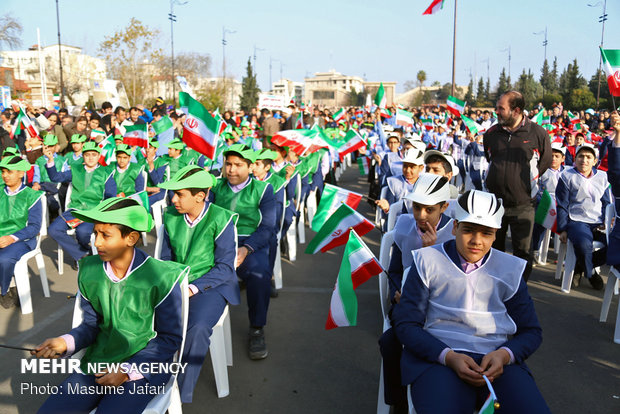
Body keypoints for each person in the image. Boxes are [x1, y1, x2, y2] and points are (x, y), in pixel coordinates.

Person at [393, 190, 550, 414]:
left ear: (496, 234)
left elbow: (531, 331)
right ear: (455, 227)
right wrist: (449, 357)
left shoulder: (510, 269)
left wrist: (504, 355)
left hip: (495, 362)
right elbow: (406, 324)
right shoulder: (427, 260)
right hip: (438, 359)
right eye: (468, 230)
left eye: (486, 233)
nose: (477, 241)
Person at [32, 197, 188, 413]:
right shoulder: (90, 270)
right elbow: (91, 325)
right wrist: (65, 342)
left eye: (106, 235)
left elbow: (169, 339)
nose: (96, 242)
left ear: (131, 238)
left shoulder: (162, 277)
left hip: (145, 368)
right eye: (96, 233)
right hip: (100, 360)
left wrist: (127, 369)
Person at [157, 166, 240, 403]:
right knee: (148, 320)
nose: (173, 199)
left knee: (198, 327)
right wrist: (171, 285)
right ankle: (148, 382)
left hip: (211, 285)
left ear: (200, 196)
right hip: (178, 282)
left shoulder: (221, 218)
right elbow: (165, 259)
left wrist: (193, 287)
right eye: (173, 194)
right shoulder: (171, 216)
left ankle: (179, 396)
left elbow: (225, 267)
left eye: (179, 194)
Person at [379, 174, 454, 410]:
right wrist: (397, 292)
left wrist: (429, 252)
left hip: (443, 309)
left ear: (444, 207)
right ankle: (398, 402)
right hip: (408, 308)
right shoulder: (404, 226)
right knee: (389, 342)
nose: (421, 216)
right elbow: (394, 270)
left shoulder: (455, 233)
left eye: (429, 210)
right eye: (417, 207)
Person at [211, 144, 276, 359]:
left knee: (259, 274)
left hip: (250, 240)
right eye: (228, 164)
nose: (231, 170)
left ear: (250, 167)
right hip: (217, 240)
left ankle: (257, 327)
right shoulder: (215, 186)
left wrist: (246, 248)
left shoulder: (263, 189)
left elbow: (267, 227)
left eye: (238, 165)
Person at [483, 91, 552, 281]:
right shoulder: (491, 134)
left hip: (523, 204)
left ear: (516, 110)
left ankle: (518, 289)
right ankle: (495, 286)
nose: (496, 111)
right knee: (493, 249)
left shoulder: (537, 133)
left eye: (501, 108)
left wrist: (525, 184)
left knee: (523, 252)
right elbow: (490, 158)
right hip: (494, 204)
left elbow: (545, 162)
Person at [45, 141, 117, 268]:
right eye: (87, 154)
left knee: (83, 232)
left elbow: (110, 196)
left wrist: (104, 216)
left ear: (98, 156)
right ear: (83, 156)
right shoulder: (75, 169)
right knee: (53, 230)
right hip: (75, 210)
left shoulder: (106, 173)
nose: (90, 157)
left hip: (94, 212)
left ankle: (80, 254)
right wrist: (50, 160)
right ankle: (82, 254)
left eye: (94, 155)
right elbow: (55, 177)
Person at [556, 143, 610, 290]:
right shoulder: (567, 176)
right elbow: (562, 205)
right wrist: (563, 229)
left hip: (598, 222)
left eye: (588, 157)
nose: (584, 160)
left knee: (615, 245)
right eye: (581, 156)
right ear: (575, 158)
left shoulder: (603, 177)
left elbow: (606, 202)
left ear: (595, 161)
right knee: (584, 244)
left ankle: (581, 266)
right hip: (577, 221)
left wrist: (606, 220)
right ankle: (591, 273)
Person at [0, 155, 43, 308]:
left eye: (9, 172)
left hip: (23, 239)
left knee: (4, 259)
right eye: (3, 171)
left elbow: (34, 227)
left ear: (20, 173)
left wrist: (12, 238)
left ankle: (5, 290)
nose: (5, 175)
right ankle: (10, 284)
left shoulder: (32, 196)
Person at [376, 149, 425, 215]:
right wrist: (387, 208)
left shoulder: (425, 183)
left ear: (421, 168)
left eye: (412, 167)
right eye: (405, 166)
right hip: (398, 220)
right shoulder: (394, 182)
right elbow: (390, 207)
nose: (408, 170)